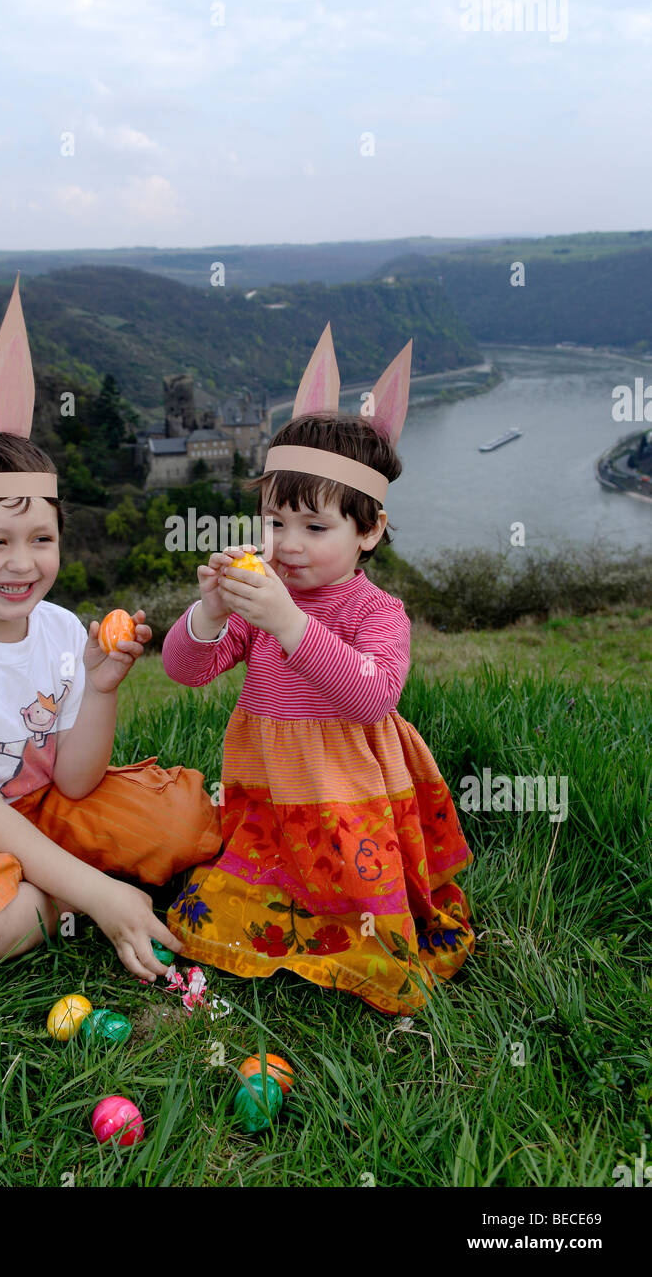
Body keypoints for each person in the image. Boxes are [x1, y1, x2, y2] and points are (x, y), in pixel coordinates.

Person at [0, 279, 220, 976]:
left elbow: (78, 780)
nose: (22, 564)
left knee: (185, 825)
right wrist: (100, 894)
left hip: (47, 804)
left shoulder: (61, 629)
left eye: (41, 538)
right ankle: (51, 895)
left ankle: (50, 884)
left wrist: (99, 690)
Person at [161, 327, 474, 1015]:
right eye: (274, 522)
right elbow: (187, 670)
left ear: (367, 531)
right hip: (270, 794)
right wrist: (211, 611)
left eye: (313, 527)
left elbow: (372, 698)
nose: (286, 545)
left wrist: (289, 624)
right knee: (213, 906)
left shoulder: (377, 611)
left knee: (361, 912)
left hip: (349, 796)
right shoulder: (261, 595)